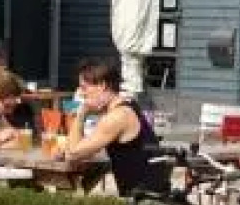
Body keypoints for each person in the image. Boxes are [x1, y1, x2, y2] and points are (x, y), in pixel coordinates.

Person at [63, 58, 169, 196]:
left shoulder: (117, 117)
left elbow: (72, 154)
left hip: (148, 204)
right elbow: (86, 149)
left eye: (84, 88)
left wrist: (81, 112)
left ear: (102, 85)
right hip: (154, 194)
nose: (81, 93)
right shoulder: (128, 104)